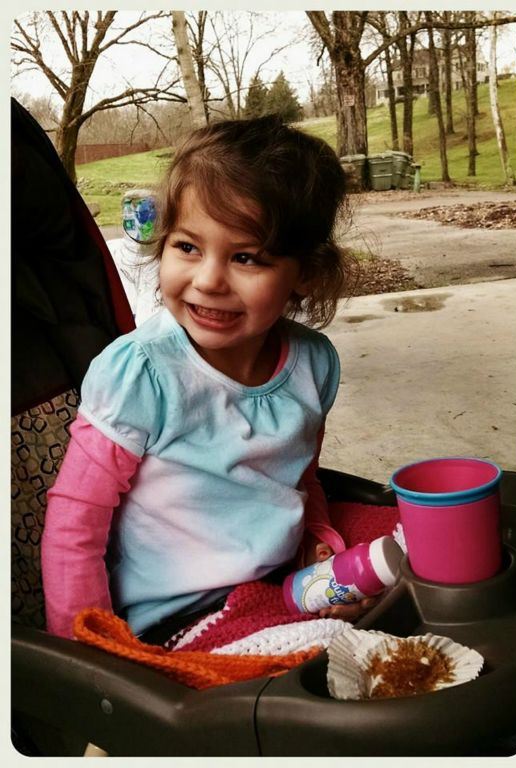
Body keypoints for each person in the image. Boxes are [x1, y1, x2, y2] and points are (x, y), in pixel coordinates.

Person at [41, 115, 373, 645]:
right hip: (181, 616)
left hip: (281, 580)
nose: (209, 280)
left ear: (305, 273)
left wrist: (317, 539)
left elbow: (300, 478)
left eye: (246, 257)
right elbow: (75, 523)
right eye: (188, 247)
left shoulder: (313, 363)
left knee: (424, 549)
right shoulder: (141, 372)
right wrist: (92, 655)